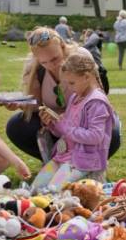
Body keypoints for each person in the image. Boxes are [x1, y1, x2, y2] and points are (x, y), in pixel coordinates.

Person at [4, 26, 120, 163]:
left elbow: (97, 96)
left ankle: (81, 161)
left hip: (84, 121)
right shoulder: (34, 66)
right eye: (44, 62)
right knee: (16, 125)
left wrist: (68, 117)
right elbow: (35, 103)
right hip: (57, 126)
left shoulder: (80, 57)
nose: (51, 66)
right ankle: (56, 160)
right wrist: (21, 103)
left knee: (110, 134)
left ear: (63, 46)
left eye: (55, 59)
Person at [31, 49, 115, 191]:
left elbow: (96, 136)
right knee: (35, 188)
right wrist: (52, 123)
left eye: (72, 83)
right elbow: (64, 131)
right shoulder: (75, 98)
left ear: (86, 77)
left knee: (52, 190)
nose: (69, 87)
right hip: (63, 157)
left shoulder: (96, 102)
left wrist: (65, 127)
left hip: (81, 161)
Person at [81, 28, 109, 94]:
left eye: (86, 35)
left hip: (98, 70)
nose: (85, 37)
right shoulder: (93, 47)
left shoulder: (91, 48)